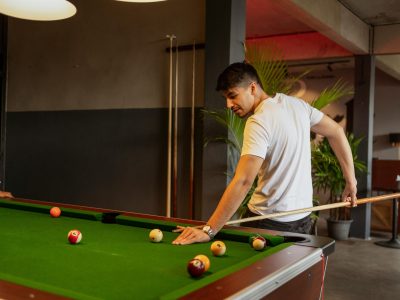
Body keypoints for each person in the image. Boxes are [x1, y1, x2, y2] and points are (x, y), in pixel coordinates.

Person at [173, 62, 357, 245]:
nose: (229, 104)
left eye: (232, 96)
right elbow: (337, 132)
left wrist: (209, 230)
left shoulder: (258, 121)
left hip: (267, 222)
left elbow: (244, 181)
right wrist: (351, 181)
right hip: (303, 219)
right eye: (226, 98)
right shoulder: (297, 105)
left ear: (252, 88)